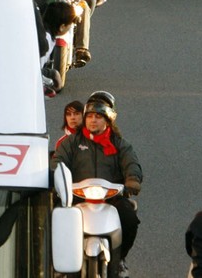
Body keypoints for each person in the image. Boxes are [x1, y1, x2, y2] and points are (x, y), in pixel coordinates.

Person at [51, 92, 142, 272]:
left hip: (111, 197)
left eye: (98, 117)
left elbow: (131, 163)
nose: (93, 120)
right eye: (90, 116)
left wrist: (132, 180)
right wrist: (57, 179)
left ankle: (120, 258)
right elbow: (58, 162)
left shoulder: (120, 144)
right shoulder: (71, 142)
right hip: (76, 196)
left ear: (107, 121)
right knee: (51, 218)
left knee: (130, 220)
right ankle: (56, 262)